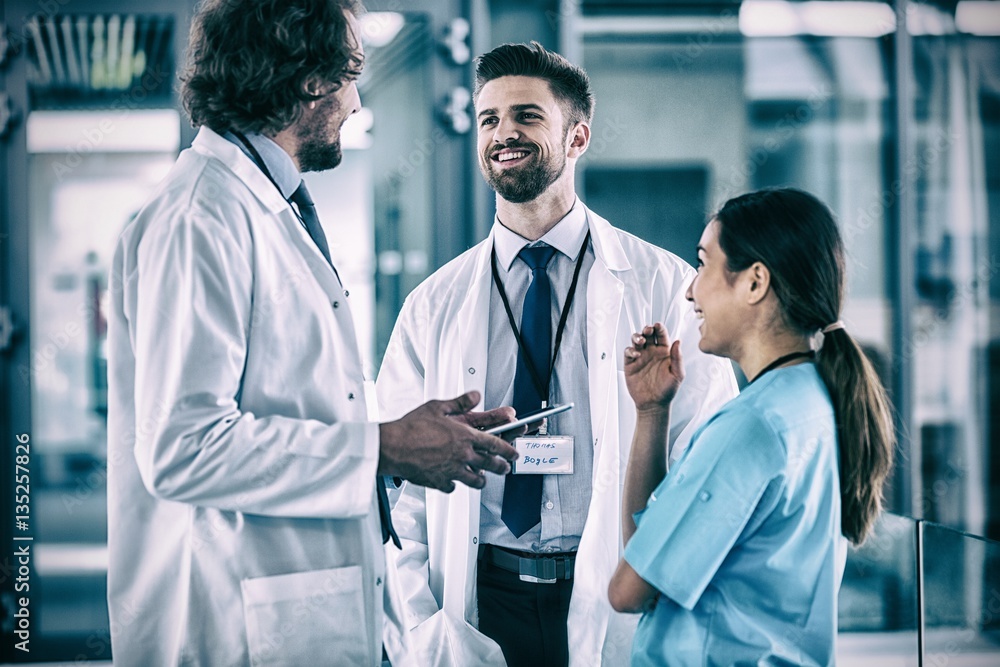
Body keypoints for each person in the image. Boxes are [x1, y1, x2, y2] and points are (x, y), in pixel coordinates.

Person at [105, 1, 518, 665]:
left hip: (300, 614)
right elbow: (183, 446)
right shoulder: (199, 218)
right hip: (233, 626)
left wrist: (402, 438)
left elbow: (289, 404)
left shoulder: (264, 207)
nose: (355, 102)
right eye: (350, 75)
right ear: (307, 80)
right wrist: (380, 447)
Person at [378, 42, 738, 667]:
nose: (503, 133)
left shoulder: (662, 285)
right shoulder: (432, 305)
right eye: (488, 119)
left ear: (577, 137)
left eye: (526, 116)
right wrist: (421, 622)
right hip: (480, 599)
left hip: (613, 592)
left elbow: (705, 457)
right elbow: (400, 490)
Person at [607, 187, 896, 665]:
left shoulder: (751, 427)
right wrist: (652, 413)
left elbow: (629, 590)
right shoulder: (812, 399)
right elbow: (645, 558)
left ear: (755, 282)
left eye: (703, 264)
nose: (690, 289)